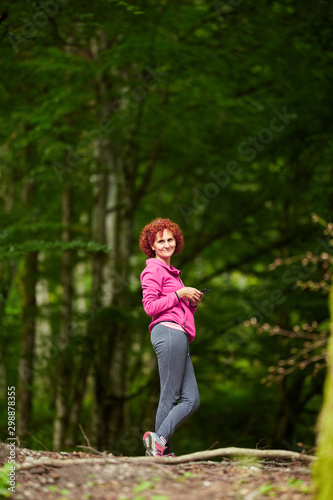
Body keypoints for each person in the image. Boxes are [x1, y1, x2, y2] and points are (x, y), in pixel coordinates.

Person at [139, 217, 203, 457]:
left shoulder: (172, 273)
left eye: (170, 239)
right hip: (167, 332)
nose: (166, 244)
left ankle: (159, 443)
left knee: (191, 400)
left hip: (179, 335)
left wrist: (190, 302)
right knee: (170, 395)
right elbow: (150, 307)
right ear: (152, 245)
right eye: (160, 241)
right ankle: (161, 451)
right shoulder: (153, 269)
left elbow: (176, 306)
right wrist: (179, 293)